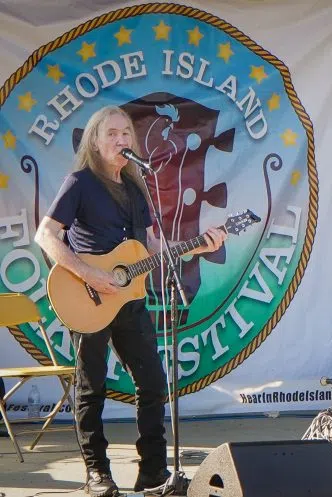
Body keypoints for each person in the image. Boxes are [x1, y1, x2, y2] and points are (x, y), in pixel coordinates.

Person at [34, 106, 227, 497]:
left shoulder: (137, 187)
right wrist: (90, 275)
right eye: (112, 133)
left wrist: (198, 246)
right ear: (95, 141)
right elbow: (46, 235)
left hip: (130, 300)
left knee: (153, 383)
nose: (121, 139)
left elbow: (151, 246)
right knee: (92, 388)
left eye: (126, 133)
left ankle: (153, 473)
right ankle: (97, 474)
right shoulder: (80, 182)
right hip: (86, 298)